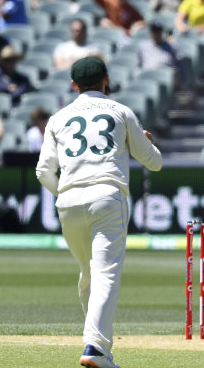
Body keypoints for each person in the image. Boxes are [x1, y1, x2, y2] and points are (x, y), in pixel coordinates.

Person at [35, 56, 162, 368]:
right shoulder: (120, 111)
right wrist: (146, 142)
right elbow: (154, 162)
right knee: (105, 273)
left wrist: (63, 193)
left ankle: (95, 342)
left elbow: (42, 171)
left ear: (74, 85)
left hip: (68, 201)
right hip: (107, 195)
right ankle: (96, 348)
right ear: (106, 80)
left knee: (90, 274)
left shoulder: (58, 118)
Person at [137, 20, 183, 91]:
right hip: (148, 77)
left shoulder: (171, 46)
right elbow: (139, 65)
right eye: (154, 31)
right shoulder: (143, 46)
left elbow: (179, 65)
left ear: (162, 32)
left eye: (158, 31)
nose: (156, 34)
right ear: (150, 33)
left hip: (165, 80)